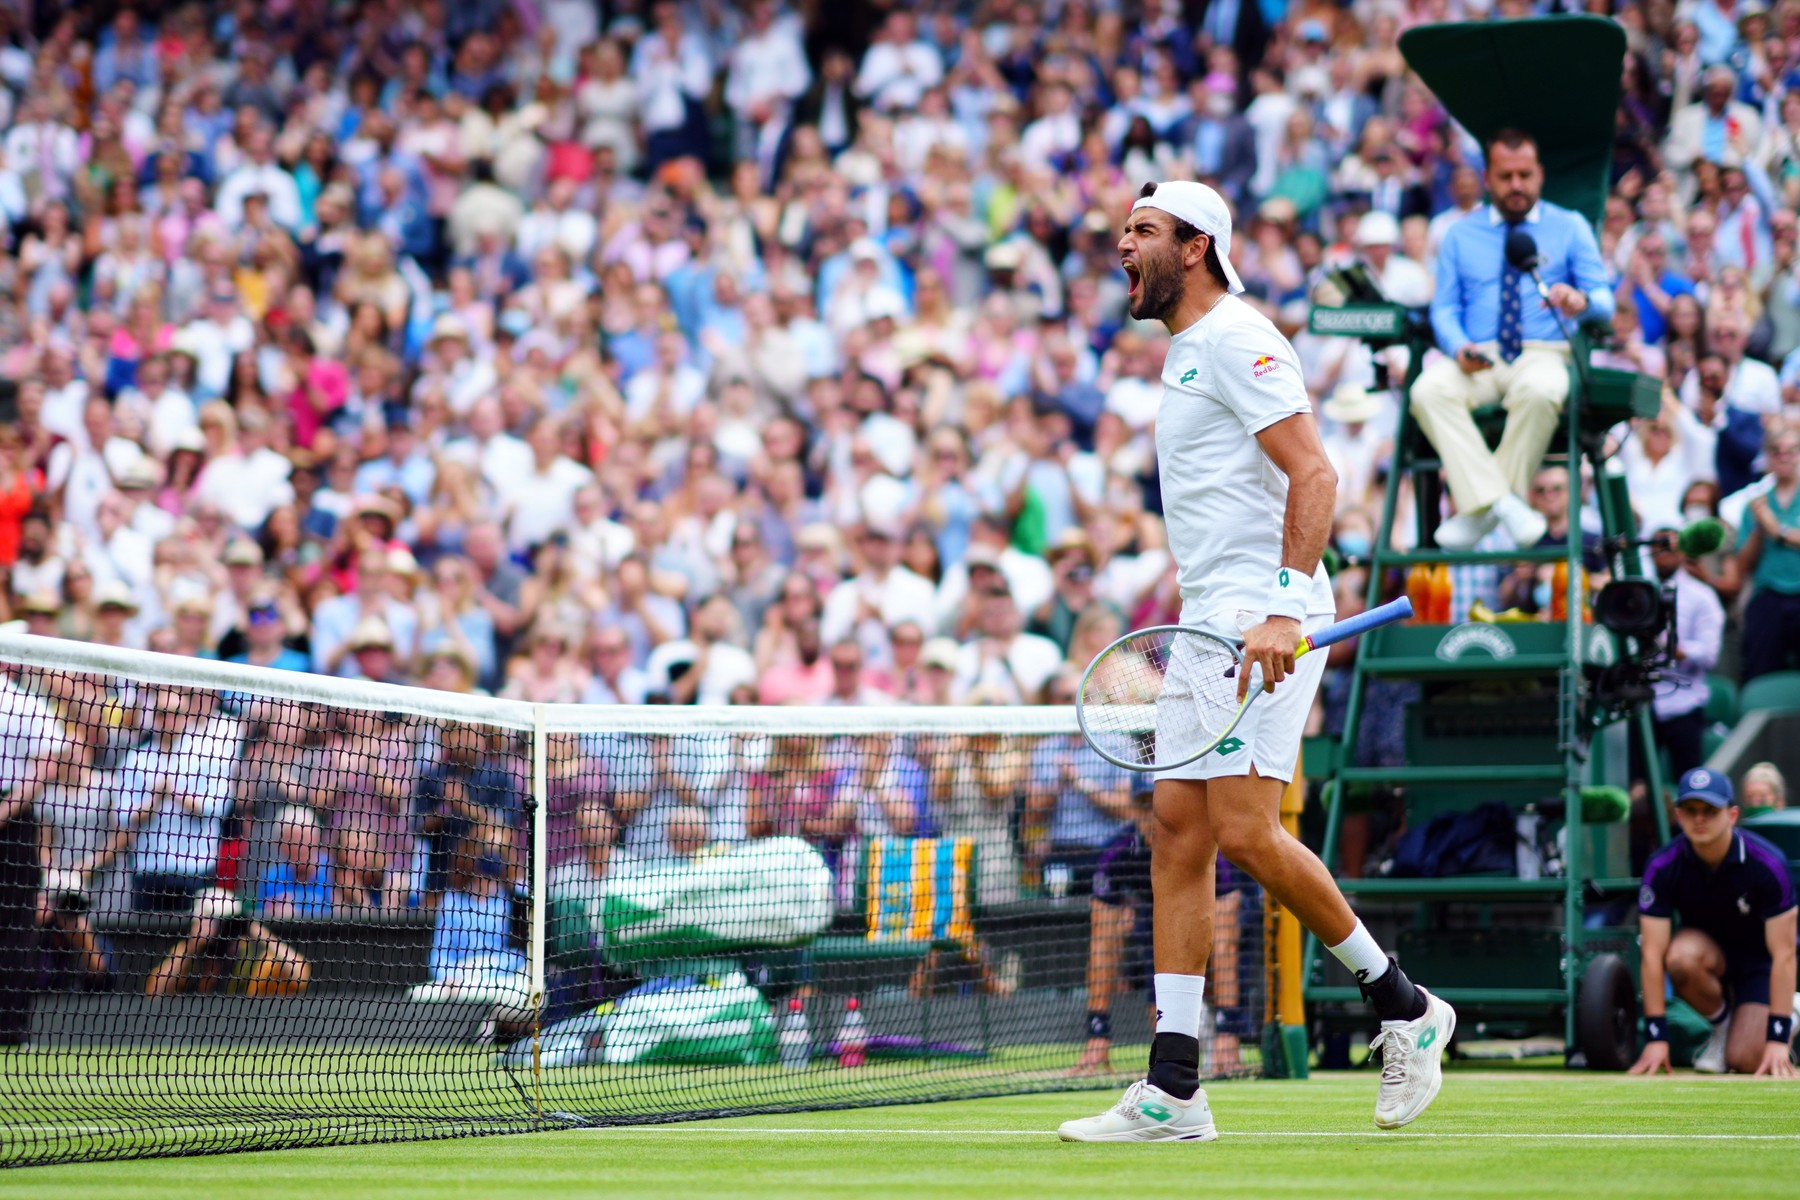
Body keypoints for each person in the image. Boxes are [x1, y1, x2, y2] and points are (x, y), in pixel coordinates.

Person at [1060, 180, 1452, 1143]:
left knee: (1240, 829)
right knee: (1179, 829)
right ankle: (1174, 1088)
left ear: (1195, 247)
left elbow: (1315, 471)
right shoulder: (1186, 353)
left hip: (1260, 617)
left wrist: (1282, 605)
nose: (1124, 245)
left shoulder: (1238, 336)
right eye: (1124, 230)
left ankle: (1404, 1005)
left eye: (1144, 231)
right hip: (1210, 620)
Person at [1411, 129, 1613, 550]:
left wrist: (1580, 301)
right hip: (1478, 356)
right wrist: (1457, 346)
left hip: (1543, 352)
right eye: (1506, 176)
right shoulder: (1459, 233)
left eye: (1525, 174)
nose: (1516, 185)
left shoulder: (1570, 226)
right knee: (1427, 390)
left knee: (1543, 389)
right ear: (1488, 177)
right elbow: (1444, 309)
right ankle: (1504, 504)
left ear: (1540, 175)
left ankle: (1481, 510)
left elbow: (1605, 303)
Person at [1628, 768, 1797, 1077]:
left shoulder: (1769, 863)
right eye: (1691, 811)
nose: (1700, 819)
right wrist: (1656, 1037)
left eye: (1710, 810)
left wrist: (1776, 1037)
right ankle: (1722, 1028)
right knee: (1680, 957)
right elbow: (1652, 954)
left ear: (1732, 815)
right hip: (1709, 961)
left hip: (1760, 967)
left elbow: (1784, 954)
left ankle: (1791, 1011)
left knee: (1747, 1059)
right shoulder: (1662, 865)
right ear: (1678, 815)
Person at [1736, 425, 1800, 680]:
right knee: (1760, 670)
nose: (1784, 457)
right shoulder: (1758, 502)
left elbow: (1779, 532)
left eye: (1791, 451)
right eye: (1777, 451)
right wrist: (1759, 529)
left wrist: (1778, 530)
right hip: (1769, 593)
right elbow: (1743, 564)